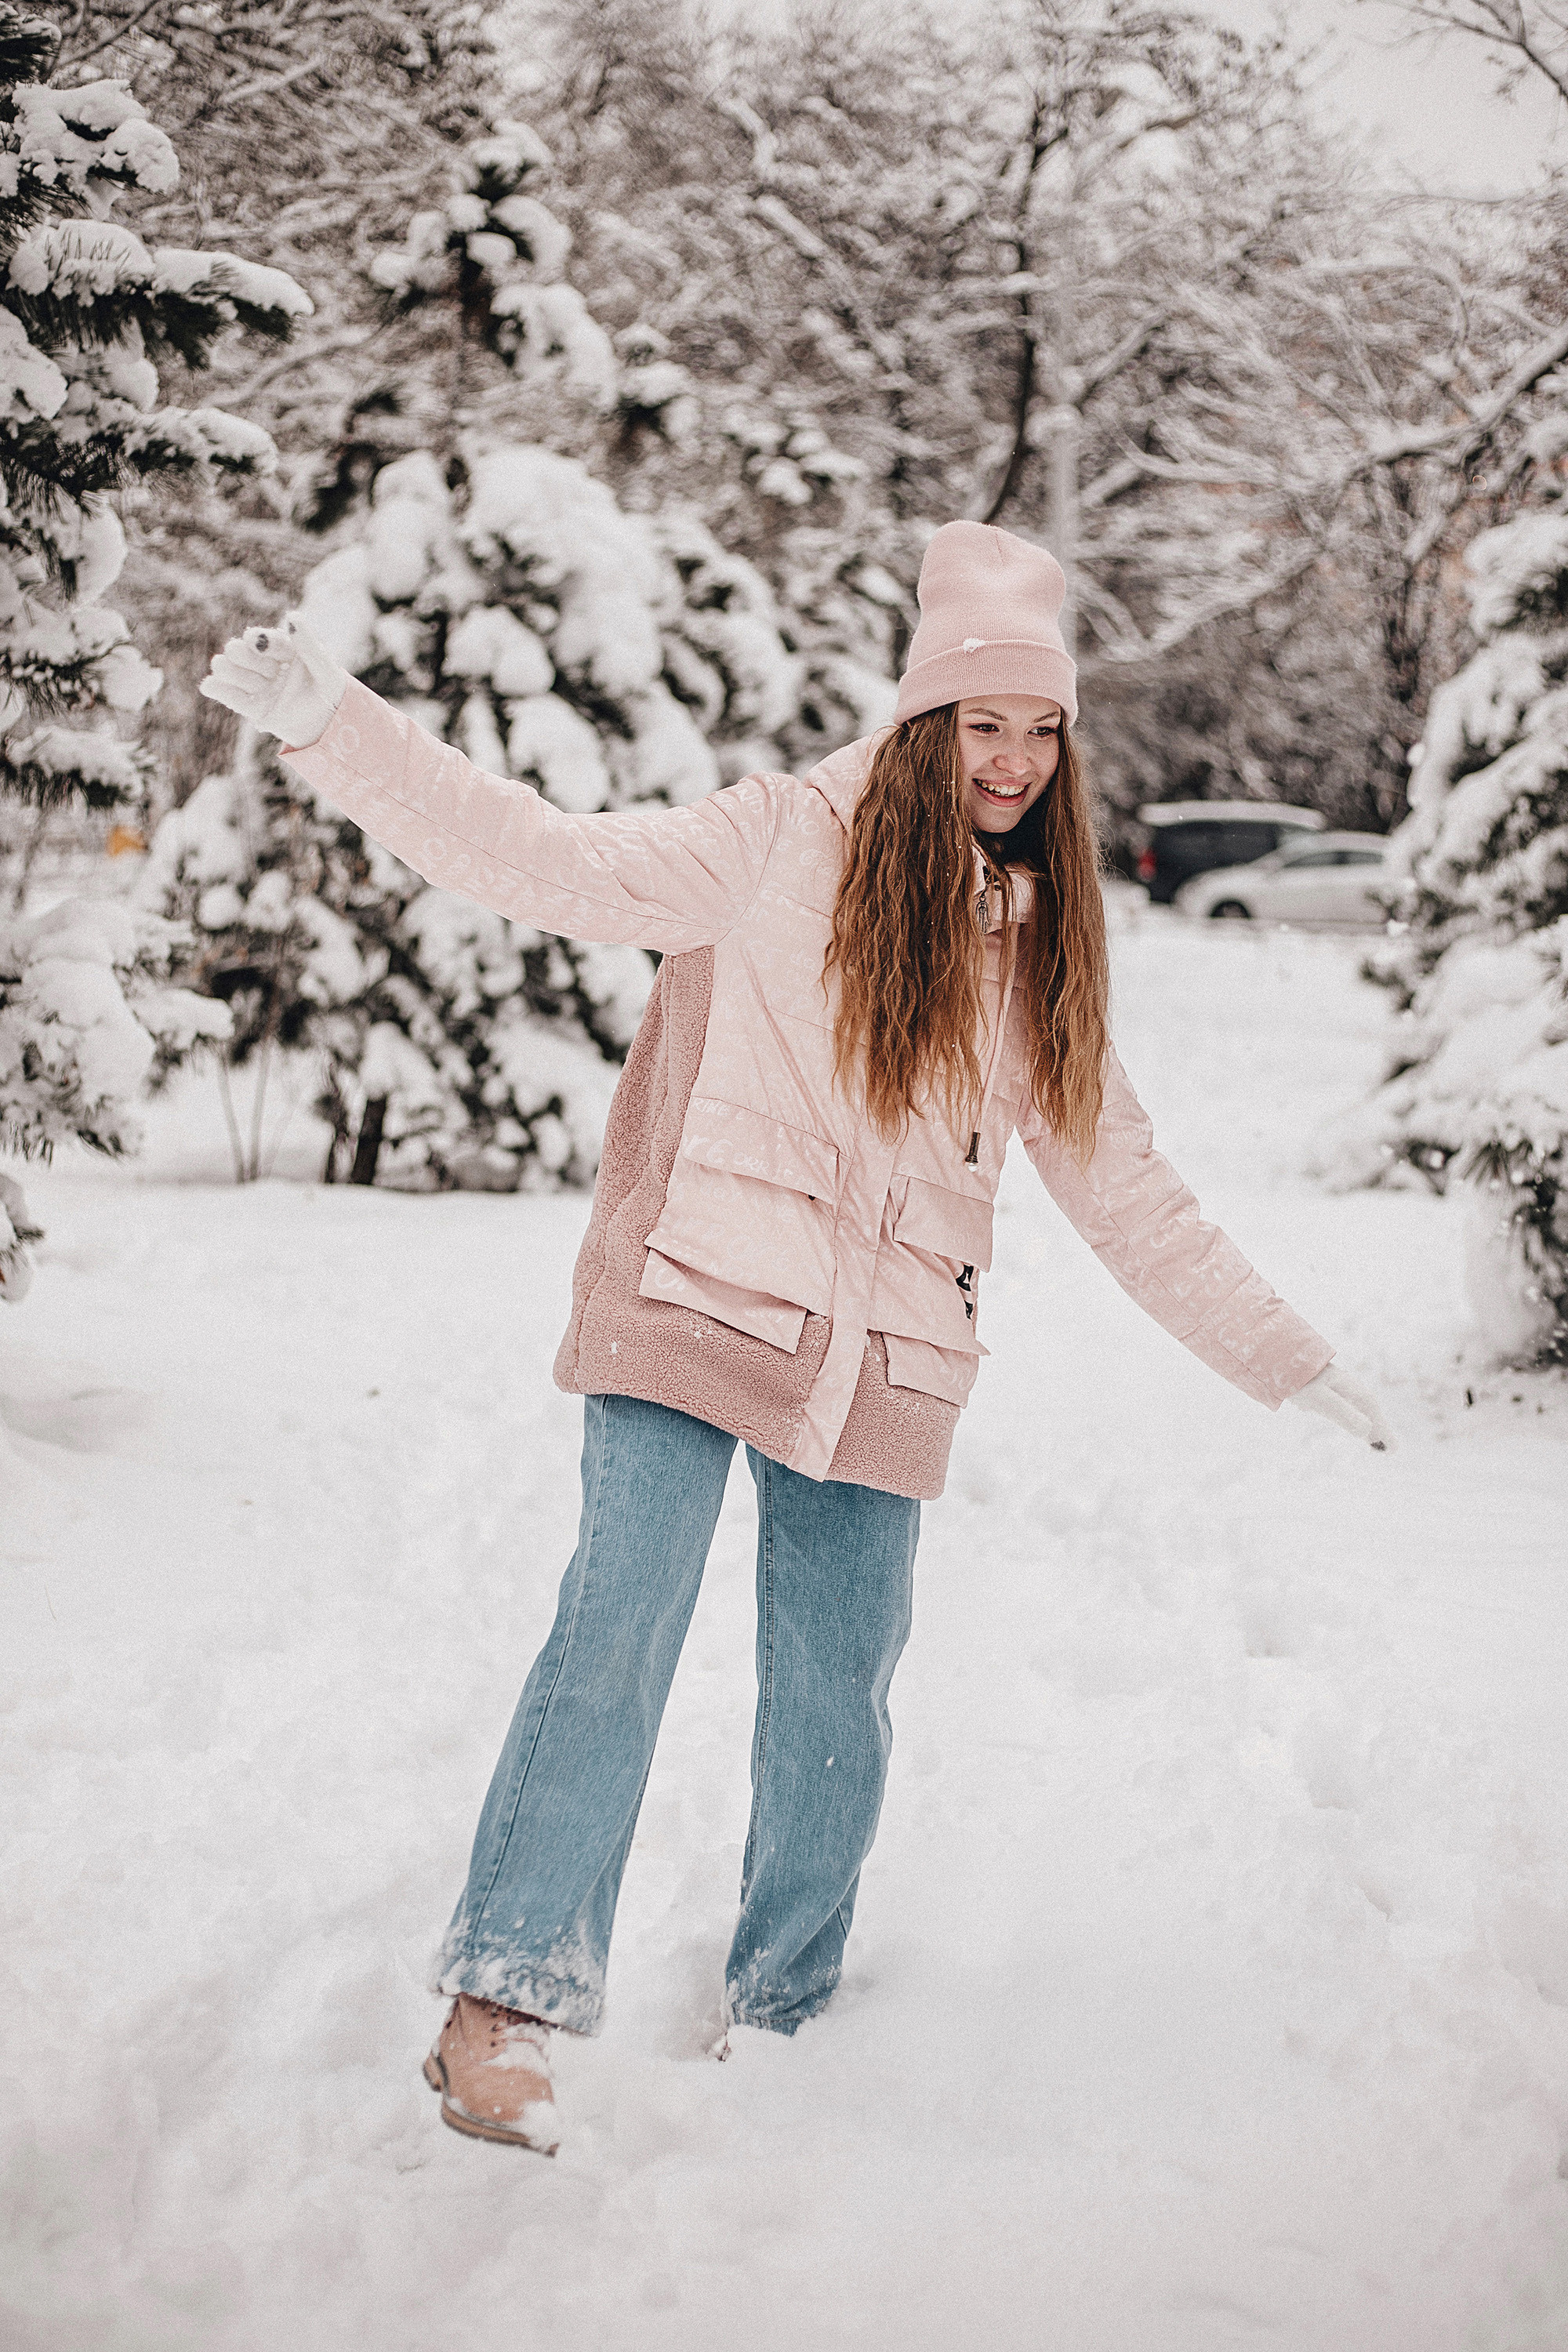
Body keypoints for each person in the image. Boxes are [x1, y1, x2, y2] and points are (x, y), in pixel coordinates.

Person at [201, 519, 1391, 2156]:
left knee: (839, 1691)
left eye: (1042, 730)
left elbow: (1126, 1184)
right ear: (922, 724)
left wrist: (1286, 1352)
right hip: (698, 1288)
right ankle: (499, 2005)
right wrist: (338, 727)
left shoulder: (1031, 933)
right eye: (985, 723)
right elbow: (548, 859)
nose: (1015, 758)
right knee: (617, 1622)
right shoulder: (777, 842)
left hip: (893, 1347)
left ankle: (787, 2022)